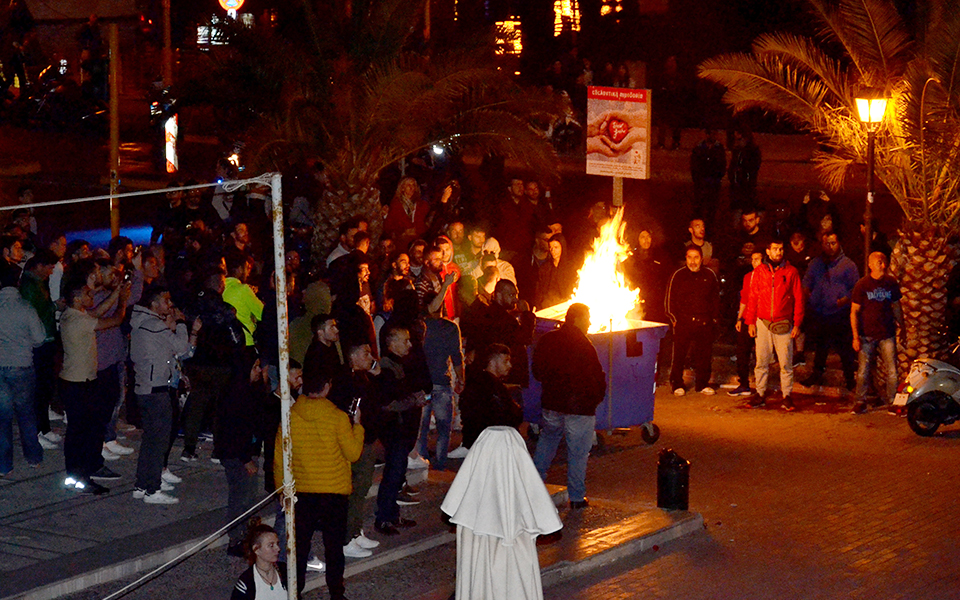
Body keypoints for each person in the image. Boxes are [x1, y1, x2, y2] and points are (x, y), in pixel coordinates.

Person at [280, 366, 363, 600]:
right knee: (334, 547)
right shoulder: (336, 417)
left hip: (303, 490)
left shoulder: (291, 414)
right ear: (327, 387)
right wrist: (358, 426)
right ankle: (336, 593)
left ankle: (294, 591)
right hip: (333, 490)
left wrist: (281, 485)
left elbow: (280, 454)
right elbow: (353, 452)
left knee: (300, 545)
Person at [59, 278, 130, 494]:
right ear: (78, 298)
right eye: (88, 294)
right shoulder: (80, 320)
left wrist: (117, 291)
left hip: (74, 381)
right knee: (80, 433)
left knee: (77, 432)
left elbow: (99, 311)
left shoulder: (73, 315)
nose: (92, 297)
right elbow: (115, 320)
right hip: (79, 384)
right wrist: (123, 301)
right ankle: (80, 477)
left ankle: (77, 474)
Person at [531, 303, 606, 509]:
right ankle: (576, 497)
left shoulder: (548, 340)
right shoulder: (584, 345)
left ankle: (533, 485)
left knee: (547, 440)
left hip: (552, 404)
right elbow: (595, 377)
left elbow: (537, 371)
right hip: (579, 408)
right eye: (587, 317)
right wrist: (595, 398)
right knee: (578, 453)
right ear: (577, 318)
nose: (590, 322)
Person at [130, 287, 200, 504]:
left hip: (146, 387)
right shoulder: (153, 326)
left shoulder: (142, 322)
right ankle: (152, 489)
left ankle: (142, 485)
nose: (170, 305)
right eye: (166, 301)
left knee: (150, 440)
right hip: (156, 389)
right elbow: (182, 347)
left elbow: (178, 352)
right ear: (154, 303)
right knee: (158, 441)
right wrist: (181, 325)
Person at [373, 325, 428, 534]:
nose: (410, 344)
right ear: (392, 343)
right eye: (405, 340)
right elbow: (388, 402)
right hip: (394, 431)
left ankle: (391, 515)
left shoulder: (398, 365)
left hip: (401, 431)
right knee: (393, 475)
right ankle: (384, 518)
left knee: (396, 475)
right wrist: (413, 400)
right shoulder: (387, 368)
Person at [744, 239, 805, 410]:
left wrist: (797, 323)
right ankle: (760, 393)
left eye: (781, 249)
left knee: (786, 362)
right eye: (775, 249)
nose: (779, 252)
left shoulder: (791, 272)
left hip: (783, 323)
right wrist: (750, 321)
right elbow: (753, 298)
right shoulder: (759, 272)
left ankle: (786, 395)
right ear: (768, 251)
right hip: (762, 322)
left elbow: (799, 298)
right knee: (761, 361)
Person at [0, 266, 46, 476]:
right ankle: (33, 458)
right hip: (22, 365)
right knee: (26, 414)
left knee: (3, 417)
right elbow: (39, 338)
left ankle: (4, 464)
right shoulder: (26, 308)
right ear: (17, 282)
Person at [801, 232, 859, 390]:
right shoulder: (816, 263)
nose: (830, 247)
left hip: (839, 314)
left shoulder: (848, 265)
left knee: (845, 349)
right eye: (827, 243)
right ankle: (817, 375)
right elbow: (807, 280)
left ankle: (849, 380)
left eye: (833, 243)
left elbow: (855, 288)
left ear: (839, 243)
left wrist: (842, 300)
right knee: (820, 347)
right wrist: (809, 294)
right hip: (820, 312)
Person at [850, 252, 904, 414]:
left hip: (887, 333)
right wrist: (855, 337)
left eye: (883, 262)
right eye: (879, 262)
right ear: (871, 265)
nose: (882, 265)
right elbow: (854, 312)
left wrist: (903, 327)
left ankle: (893, 403)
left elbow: (896, 306)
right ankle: (860, 401)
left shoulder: (891, 283)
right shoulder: (862, 285)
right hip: (867, 334)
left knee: (892, 370)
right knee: (863, 370)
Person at [416, 295, 464, 471]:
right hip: (442, 381)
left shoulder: (421, 327)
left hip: (424, 382)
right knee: (444, 427)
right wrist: (461, 378)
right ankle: (440, 462)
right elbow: (456, 356)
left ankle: (423, 461)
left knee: (423, 427)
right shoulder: (450, 328)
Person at [664, 246, 721, 395]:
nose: (693, 261)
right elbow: (670, 300)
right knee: (679, 356)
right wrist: (674, 319)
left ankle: (702, 384)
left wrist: (713, 319)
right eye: (689, 257)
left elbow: (715, 299)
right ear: (686, 258)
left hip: (704, 323)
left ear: (701, 259)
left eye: (696, 257)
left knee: (704, 355)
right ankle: (677, 384)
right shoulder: (678, 275)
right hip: (683, 323)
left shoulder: (709, 275)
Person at [459, 344, 523, 449]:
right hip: (492, 443)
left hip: (479, 441)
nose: (509, 365)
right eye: (505, 361)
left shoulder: (480, 382)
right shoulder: (491, 387)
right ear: (492, 362)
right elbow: (506, 416)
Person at [729, 251, 764, 396]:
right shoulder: (748, 277)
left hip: (761, 317)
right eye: (753, 259)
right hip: (748, 316)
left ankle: (762, 386)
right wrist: (739, 317)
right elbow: (744, 297)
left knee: (762, 353)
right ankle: (744, 383)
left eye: (758, 259)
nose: (754, 262)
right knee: (742, 351)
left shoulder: (768, 277)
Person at [231, 520, 288, 600]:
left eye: (277, 544)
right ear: (256, 549)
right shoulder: (247, 582)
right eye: (271, 545)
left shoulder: (285, 570)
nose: (278, 548)